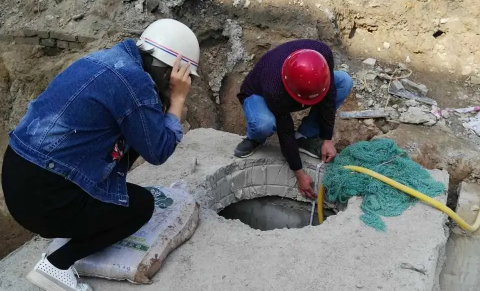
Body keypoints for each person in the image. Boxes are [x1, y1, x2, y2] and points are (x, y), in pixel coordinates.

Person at [0, 19, 200, 291]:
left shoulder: (108, 60)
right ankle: (57, 264)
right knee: (141, 205)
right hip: (44, 198)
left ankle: (76, 218)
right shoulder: (135, 84)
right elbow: (159, 150)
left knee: (124, 153)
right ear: (171, 73)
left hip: (19, 175)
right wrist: (177, 100)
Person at [234, 39, 353, 199]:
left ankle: (304, 137)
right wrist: (299, 173)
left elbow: (329, 96)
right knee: (264, 124)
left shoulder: (323, 53)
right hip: (258, 94)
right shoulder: (273, 88)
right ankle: (255, 139)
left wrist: (327, 139)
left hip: (298, 88)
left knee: (344, 82)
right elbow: (285, 131)